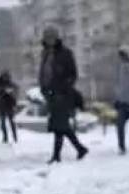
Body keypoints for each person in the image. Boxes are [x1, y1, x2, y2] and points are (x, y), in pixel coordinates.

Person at [38, 27, 88, 164]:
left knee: (59, 125)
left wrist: (64, 87)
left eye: (51, 38)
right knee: (59, 126)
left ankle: (58, 155)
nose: (49, 41)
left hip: (63, 94)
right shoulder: (45, 54)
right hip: (51, 94)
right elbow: (43, 73)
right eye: (47, 38)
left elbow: (73, 74)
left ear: (56, 38)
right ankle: (79, 149)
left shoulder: (65, 53)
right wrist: (43, 89)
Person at [0, 70, 19, 143]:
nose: (7, 79)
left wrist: (11, 91)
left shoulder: (9, 82)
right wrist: (4, 90)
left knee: (11, 122)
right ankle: (5, 137)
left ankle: (14, 136)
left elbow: (15, 87)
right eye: (5, 77)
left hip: (9, 104)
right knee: (3, 122)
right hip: (1, 104)